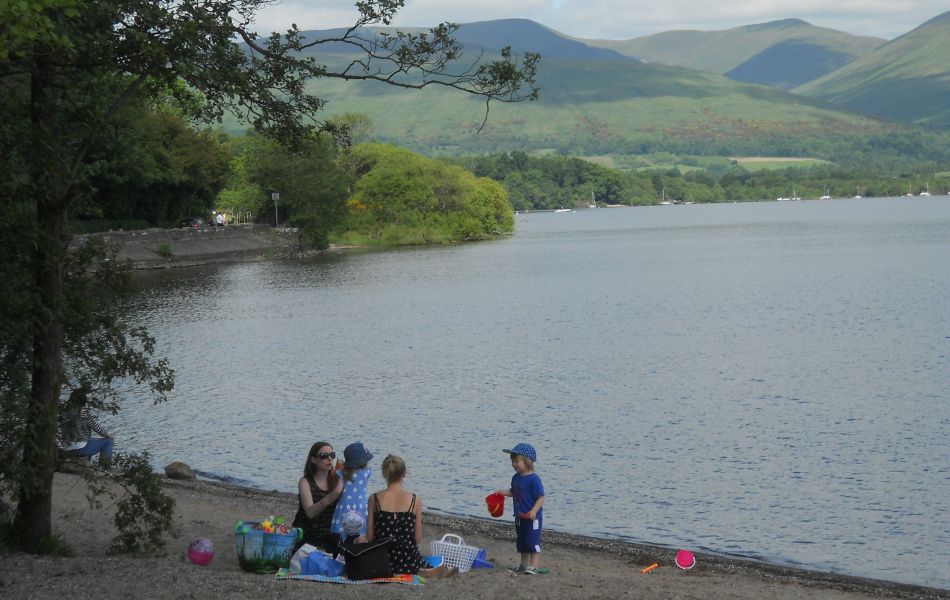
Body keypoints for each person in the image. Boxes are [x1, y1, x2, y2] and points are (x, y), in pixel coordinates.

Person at [366, 454, 457, 578]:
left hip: (381, 560)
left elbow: (370, 538)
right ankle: (422, 571)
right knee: (414, 560)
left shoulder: (374, 499)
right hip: (408, 559)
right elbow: (417, 538)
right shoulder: (415, 500)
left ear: (384, 474)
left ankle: (421, 571)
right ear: (404, 474)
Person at [495, 442, 545, 574]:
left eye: (516, 461)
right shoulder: (516, 478)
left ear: (527, 462)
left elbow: (541, 497)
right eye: (512, 461)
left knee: (532, 541)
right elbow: (514, 492)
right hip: (519, 515)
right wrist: (502, 493)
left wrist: (534, 511)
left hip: (532, 517)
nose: (513, 464)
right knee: (522, 541)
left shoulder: (534, 480)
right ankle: (523, 565)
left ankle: (533, 565)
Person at [293, 441, 344, 552]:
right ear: (313, 460)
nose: (329, 459)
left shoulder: (336, 481)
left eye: (332, 455)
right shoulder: (305, 482)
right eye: (324, 456)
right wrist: (332, 495)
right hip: (307, 534)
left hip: (329, 536)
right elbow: (310, 513)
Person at [330, 442, 374, 546]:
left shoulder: (342, 473)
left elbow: (337, 490)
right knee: (360, 532)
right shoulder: (367, 472)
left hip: (344, 508)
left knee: (343, 534)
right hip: (361, 507)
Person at [59, 385, 114, 467]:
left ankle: (85, 461)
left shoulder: (63, 412)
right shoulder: (82, 412)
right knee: (108, 442)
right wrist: (108, 436)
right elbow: (96, 427)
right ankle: (104, 467)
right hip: (79, 449)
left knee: (90, 440)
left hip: (66, 448)